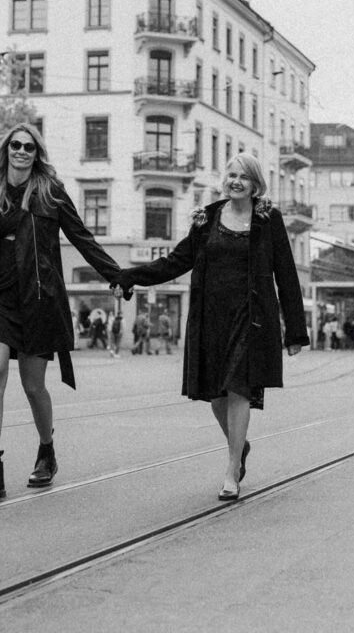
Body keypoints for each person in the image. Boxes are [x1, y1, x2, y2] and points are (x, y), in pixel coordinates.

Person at [115, 153, 309, 502]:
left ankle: (232, 469)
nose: (236, 181)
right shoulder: (207, 219)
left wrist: (294, 330)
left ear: (255, 184)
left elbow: (286, 273)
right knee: (216, 397)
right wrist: (131, 277)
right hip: (211, 317)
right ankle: (241, 446)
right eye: (231, 174)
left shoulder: (268, 219)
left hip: (251, 319)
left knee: (239, 390)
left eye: (244, 177)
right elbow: (177, 261)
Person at [0, 122, 121, 502]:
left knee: (32, 385)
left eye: (30, 147)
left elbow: (82, 238)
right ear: (6, 150)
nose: (22, 151)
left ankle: (47, 448)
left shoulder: (51, 194)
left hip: (38, 298)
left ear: (37, 154)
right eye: (16, 145)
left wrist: (117, 275)